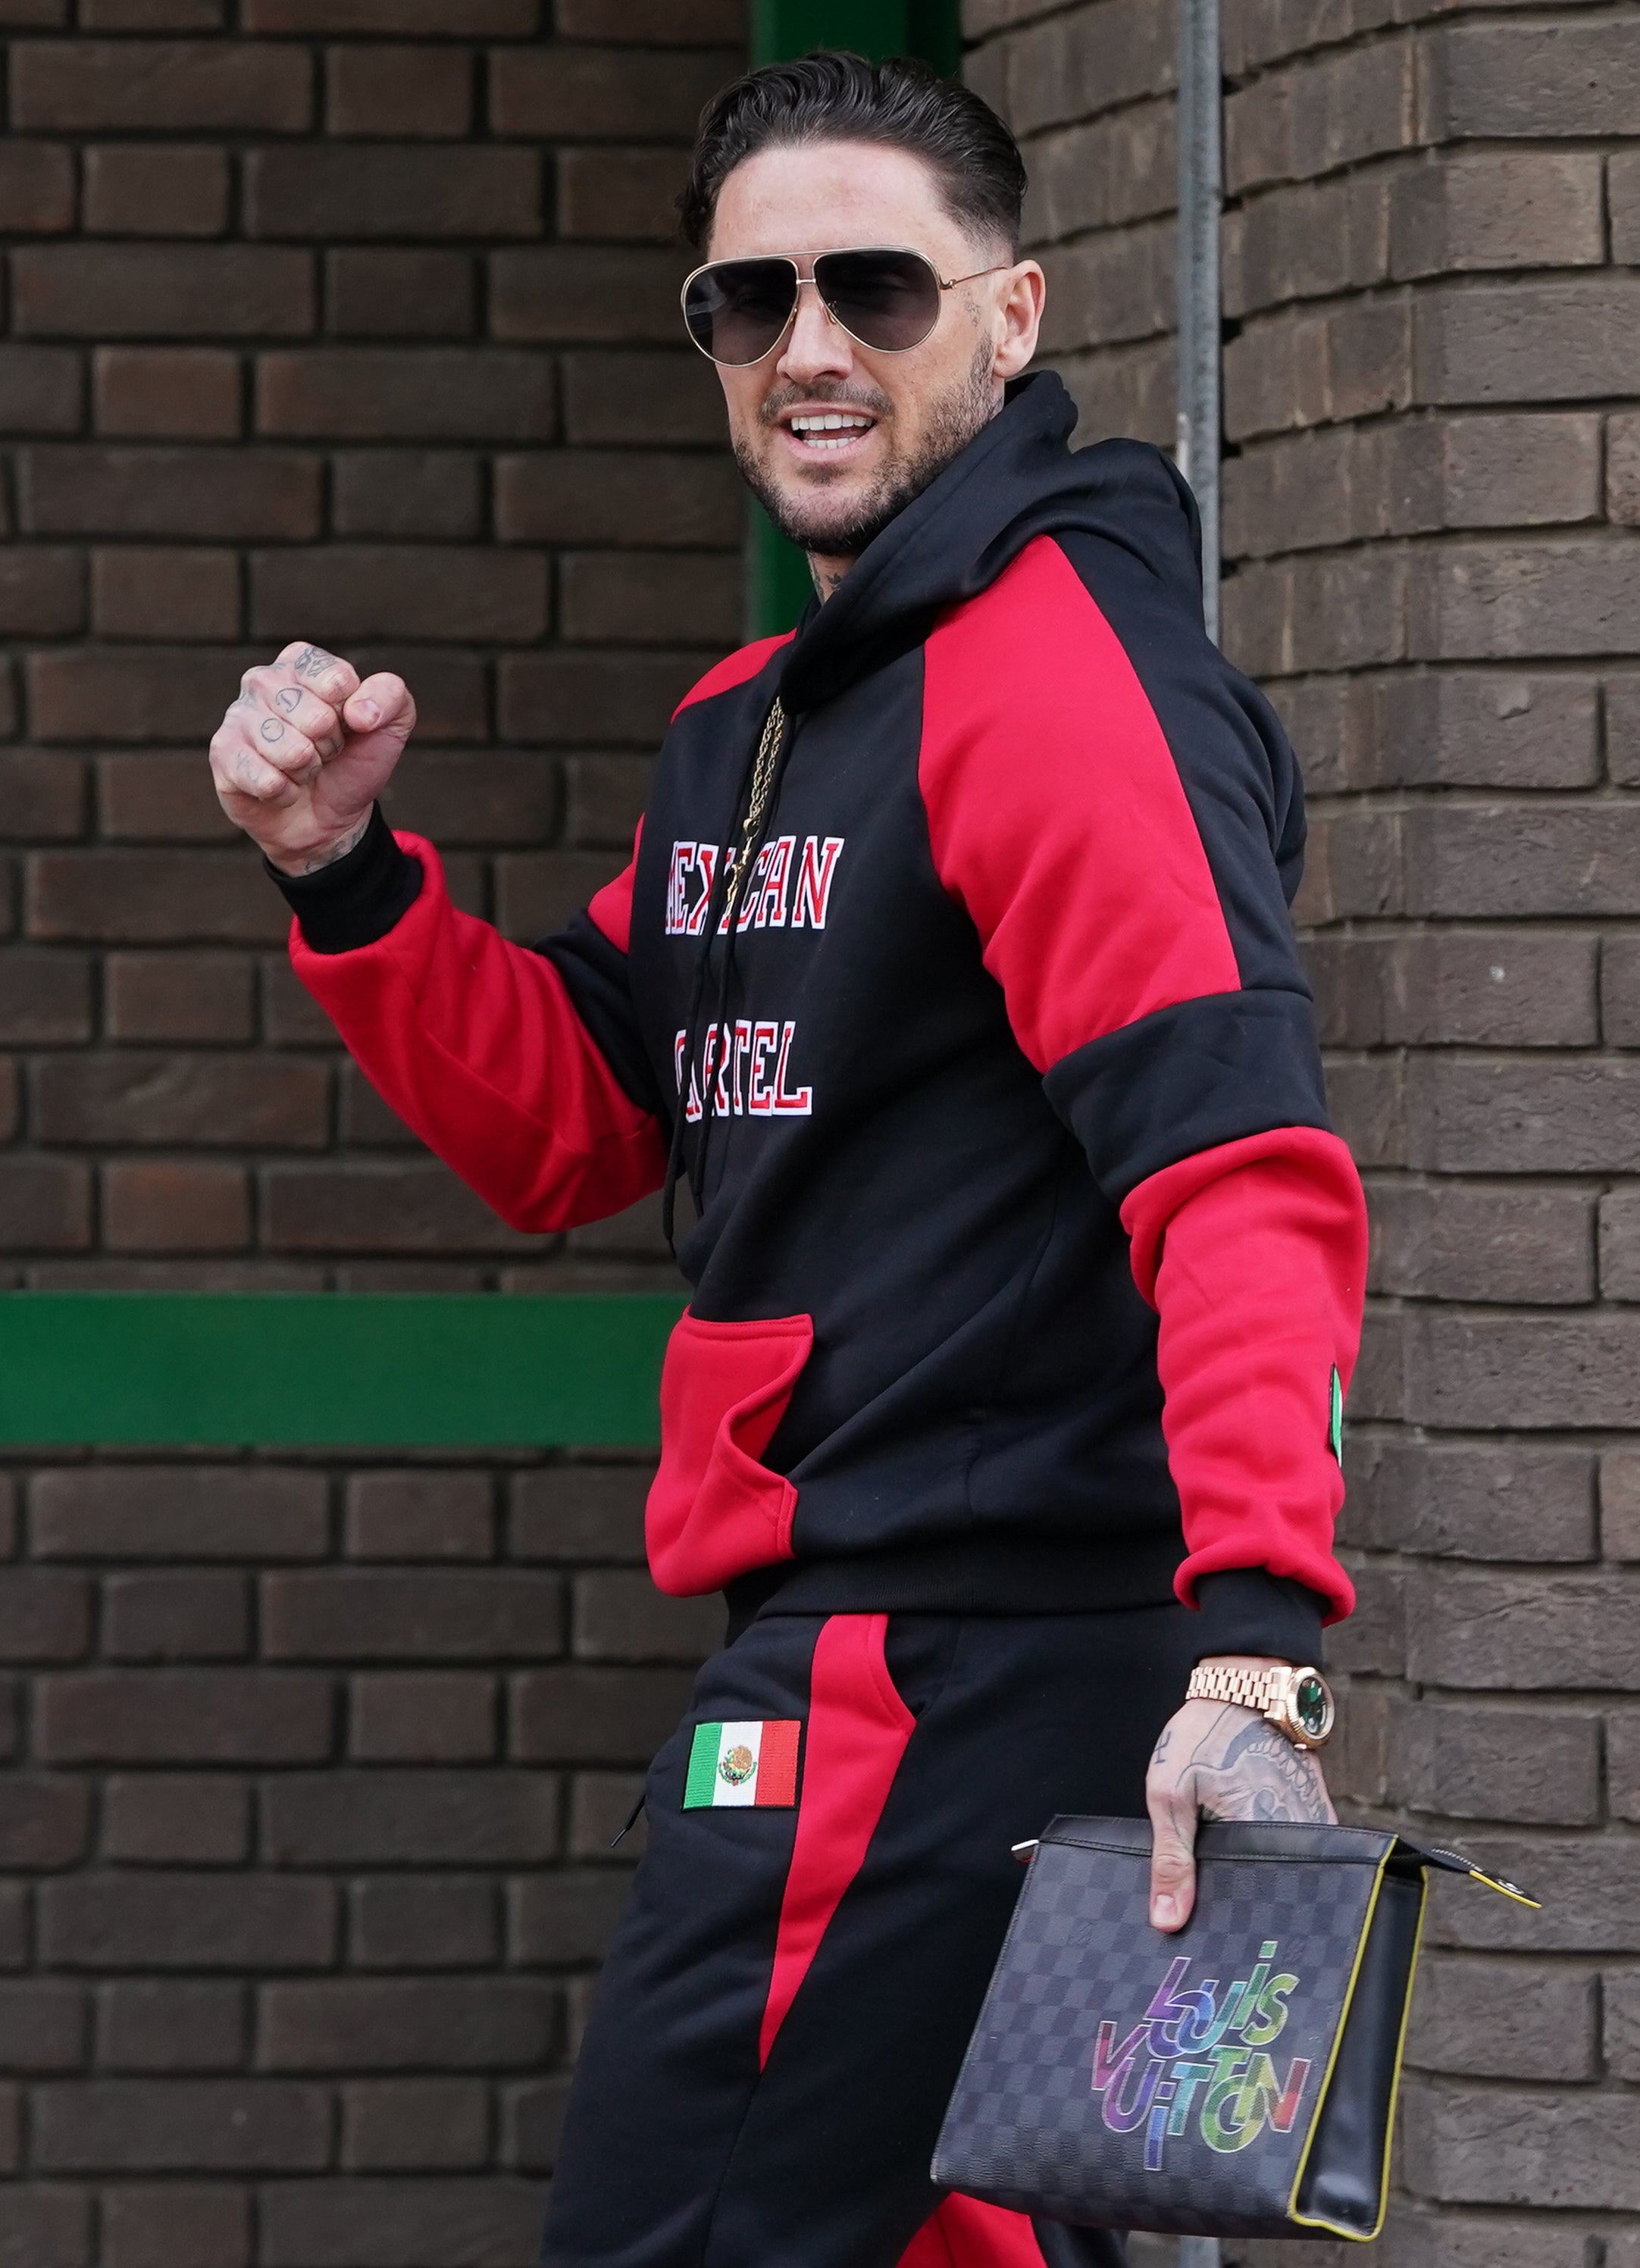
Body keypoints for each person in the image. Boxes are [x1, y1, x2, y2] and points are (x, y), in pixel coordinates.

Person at [206, 52, 1366, 2268]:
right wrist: (349, 880)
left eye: (875, 290)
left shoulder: (1056, 682)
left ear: (1010, 316)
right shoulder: (759, 716)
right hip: (867, 1656)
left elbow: (1235, 1168)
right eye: (751, 301)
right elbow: (584, 1120)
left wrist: (1253, 1660)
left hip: (938, 1673)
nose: (810, 347)